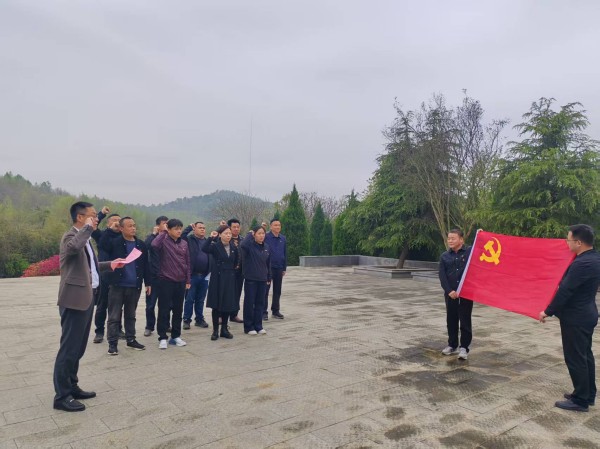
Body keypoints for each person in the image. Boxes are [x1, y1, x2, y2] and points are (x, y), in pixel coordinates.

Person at [53, 201, 124, 412]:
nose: (96, 219)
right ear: (80, 217)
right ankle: (61, 396)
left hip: (87, 298)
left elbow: (89, 267)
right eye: (93, 215)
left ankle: (72, 386)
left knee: (78, 347)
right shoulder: (71, 237)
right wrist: (88, 229)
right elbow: (72, 248)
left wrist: (110, 264)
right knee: (69, 349)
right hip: (74, 300)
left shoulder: (85, 239)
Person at [539, 224, 600, 412]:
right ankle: (587, 394)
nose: (566, 243)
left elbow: (566, 291)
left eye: (568, 240)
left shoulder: (581, 264)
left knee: (575, 358)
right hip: (586, 314)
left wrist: (547, 311)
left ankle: (580, 401)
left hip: (576, 317)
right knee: (585, 355)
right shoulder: (594, 258)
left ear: (579, 242)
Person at [105, 217, 150, 355]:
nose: (133, 228)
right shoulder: (114, 242)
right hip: (117, 285)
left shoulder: (140, 244)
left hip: (134, 285)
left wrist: (148, 282)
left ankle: (131, 339)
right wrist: (109, 230)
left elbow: (146, 265)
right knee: (114, 316)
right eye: (129, 226)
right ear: (121, 228)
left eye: (134, 225)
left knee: (131, 315)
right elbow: (102, 245)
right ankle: (112, 343)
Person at [151, 218, 190, 349]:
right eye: (176, 229)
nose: (179, 231)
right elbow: (154, 245)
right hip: (166, 280)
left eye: (180, 228)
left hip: (180, 281)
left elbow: (187, 262)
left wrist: (188, 279)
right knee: (164, 309)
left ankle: (176, 336)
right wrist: (163, 232)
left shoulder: (184, 243)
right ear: (169, 229)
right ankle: (162, 337)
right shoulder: (163, 241)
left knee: (178, 310)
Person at [439, 228, 473, 360]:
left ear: (461, 240)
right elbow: (442, 276)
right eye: (449, 238)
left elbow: (481, 248)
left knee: (465, 320)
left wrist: (481, 234)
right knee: (451, 319)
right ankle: (452, 345)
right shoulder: (444, 256)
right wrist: (449, 291)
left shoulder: (469, 252)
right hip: (450, 294)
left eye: (453, 238)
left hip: (466, 293)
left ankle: (464, 347)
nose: (450, 241)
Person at [202, 225, 239, 340]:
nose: (228, 235)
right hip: (218, 278)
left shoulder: (233, 247)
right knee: (216, 305)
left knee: (227, 304)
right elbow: (204, 248)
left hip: (229, 278)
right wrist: (211, 237)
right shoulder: (215, 246)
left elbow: (236, 261)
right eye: (226, 233)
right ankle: (215, 331)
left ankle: (224, 329)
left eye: (229, 233)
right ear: (220, 234)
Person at [92, 212, 123, 344]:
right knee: (102, 305)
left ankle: (118, 329)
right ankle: (99, 332)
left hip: (119, 275)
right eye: (114, 220)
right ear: (108, 223)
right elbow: (93, 225)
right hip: (104, 275)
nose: (117, 222)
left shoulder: (122, 236)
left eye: (119, 220)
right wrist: (101, 214)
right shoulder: (101, 235)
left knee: (118, 305)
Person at [241, 225, 271, 335]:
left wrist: (268, 277)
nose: (261, 236)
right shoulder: (249, 246)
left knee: (260, 303)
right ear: (254, 234)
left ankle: (258, 325)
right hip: (251, 279)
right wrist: (249, 234)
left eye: (263, 233)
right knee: (249, 303)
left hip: (262, 279)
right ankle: (249, 327)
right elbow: (242, 245)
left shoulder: (266, 246)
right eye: (259, 233)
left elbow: (268, 263)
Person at [181, 222, 210, 329]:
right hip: (192, 275)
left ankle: (199, 319)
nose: (202, 229)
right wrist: (189, 227)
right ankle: (186, 320)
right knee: (189, 299)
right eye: (200, 228)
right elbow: (181, 236)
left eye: (204, 228)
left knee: (200, 299)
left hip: (205, 275)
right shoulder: (189, 240)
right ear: (194, 229)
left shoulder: (207, 241)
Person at [143, 216, 168, 336]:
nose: (166, 225)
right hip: (153, 277)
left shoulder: (168, 238)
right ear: (158, 225)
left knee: (166, 304)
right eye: (164, 223)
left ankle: (165, 325)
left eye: (168, 223)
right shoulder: (152, 238)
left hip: (166, 277)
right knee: (150, 305)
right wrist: (154, 234)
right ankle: (149, 326)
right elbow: (145, 247)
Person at [264, 218, 287, 320]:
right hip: (268, 268)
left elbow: (285, 253)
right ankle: (263, 312)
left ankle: (275, 311)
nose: (278, 227)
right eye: (275, 225)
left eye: (279, 225)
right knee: (265, 290)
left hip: (279, 268)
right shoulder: (266, 237)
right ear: (271, 226)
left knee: (277, 290)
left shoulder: (283, 238)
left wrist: (284, 268)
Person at [227, 218, 244, 323]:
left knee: (237, 293)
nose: (236, 229)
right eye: (234, 227)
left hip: (240, 271)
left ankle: (234, 315)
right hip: (228, 271)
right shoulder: (226, 239)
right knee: (226, 293)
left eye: (238, 227)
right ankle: (221, 315)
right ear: (229, 228)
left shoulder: (243, 240)